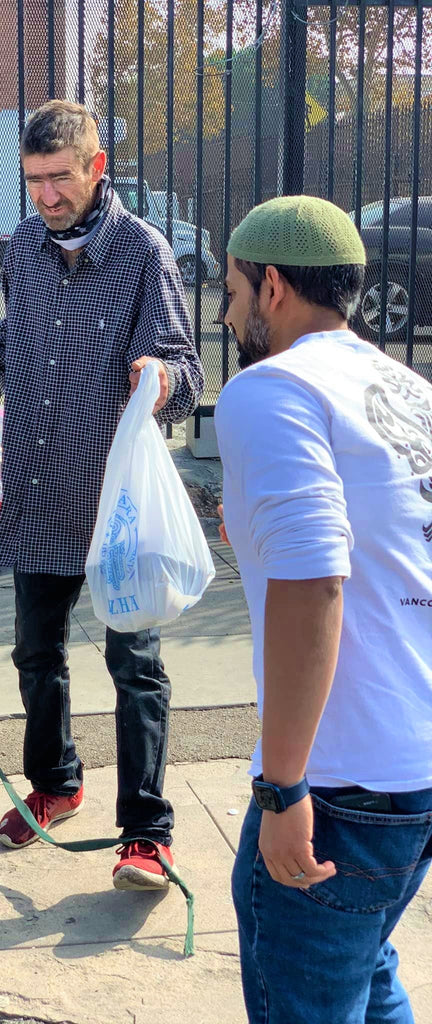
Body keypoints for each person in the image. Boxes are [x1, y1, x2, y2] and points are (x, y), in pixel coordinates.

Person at [0, 100, 204, 890]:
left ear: (96, 169)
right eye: (33, 181)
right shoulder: (23, 245)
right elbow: (9, 339)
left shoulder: (144, 254)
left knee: (136, 664)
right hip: (40, 486)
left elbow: (189, 373)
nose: (46, 196)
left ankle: (148, 833)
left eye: (59, 178)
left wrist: (159, 383)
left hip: (116, 500)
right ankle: (55, 783)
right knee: (34, 652)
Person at [215, 195, 432, 1023]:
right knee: (370, 975)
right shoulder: (406, 389)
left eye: (232, 293)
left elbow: (314, 583)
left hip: (344, 781)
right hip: (413, 764)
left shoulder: (272, 390)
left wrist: (282, 787)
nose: (230, 315)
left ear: (272, 285)